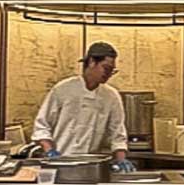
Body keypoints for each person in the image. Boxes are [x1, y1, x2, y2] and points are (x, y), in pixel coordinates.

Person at [32, 42, 136, 172]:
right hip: (59, 163)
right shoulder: (63, 89)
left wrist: (121, 159)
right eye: (106, 68)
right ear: (92, 62)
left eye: (112, 71)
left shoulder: (111, 96)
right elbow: (42, 126)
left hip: (91, 167)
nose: (109, 74)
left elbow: (117, 135)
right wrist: (50, 152)